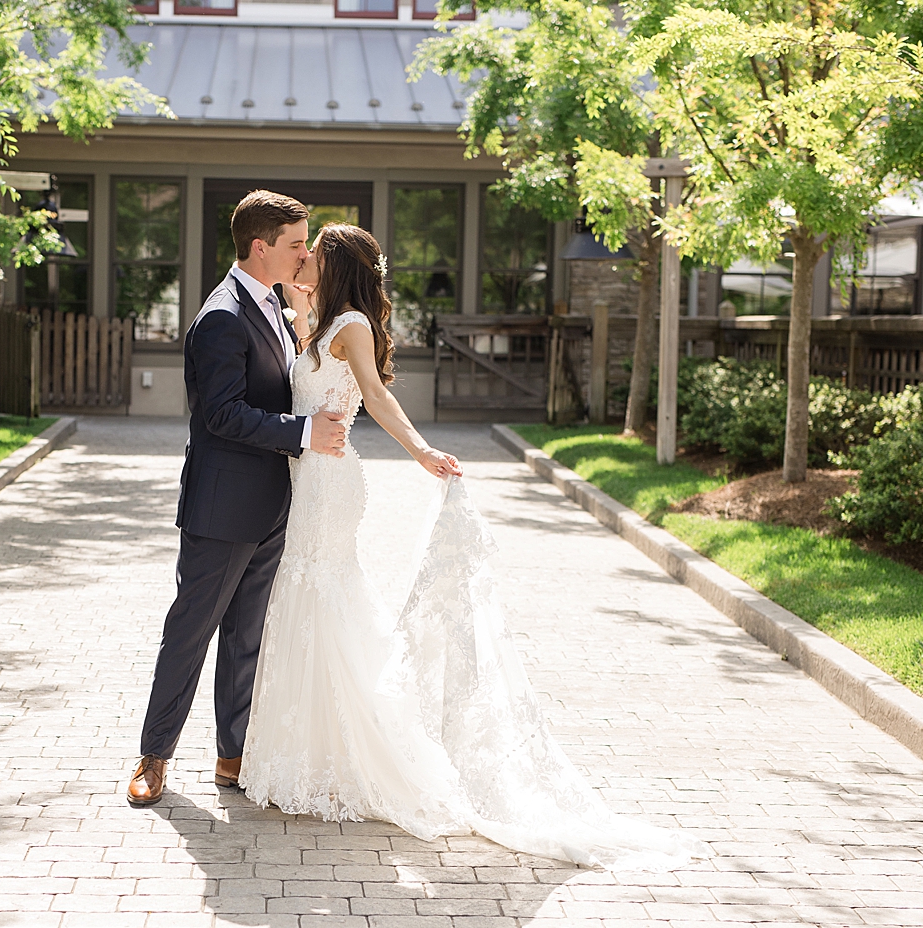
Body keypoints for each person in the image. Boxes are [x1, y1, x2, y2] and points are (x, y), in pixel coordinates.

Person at [239, 223, 708, 869]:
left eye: (313, 252)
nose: (304, 258)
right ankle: (314, 756)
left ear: (337, 264)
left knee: (321, 597)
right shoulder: (319, 320)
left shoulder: (350, 326)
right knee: (305, 599)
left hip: (331, 483)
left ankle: (361, 756)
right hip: (305, 476)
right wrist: (293, 291)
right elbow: (303, 349)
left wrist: (423, 451)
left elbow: (376, 398)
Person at [127, 191, 346, 806]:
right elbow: (219, 415)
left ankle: (233, 755)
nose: (305, 254)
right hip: (222, 510)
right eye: (296, 244)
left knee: (247, 637)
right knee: (191, 632)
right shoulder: (221, 316)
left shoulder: (274, 305)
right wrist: (304, 434)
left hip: (273, 505)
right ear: (260, 246)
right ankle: (153, 755)